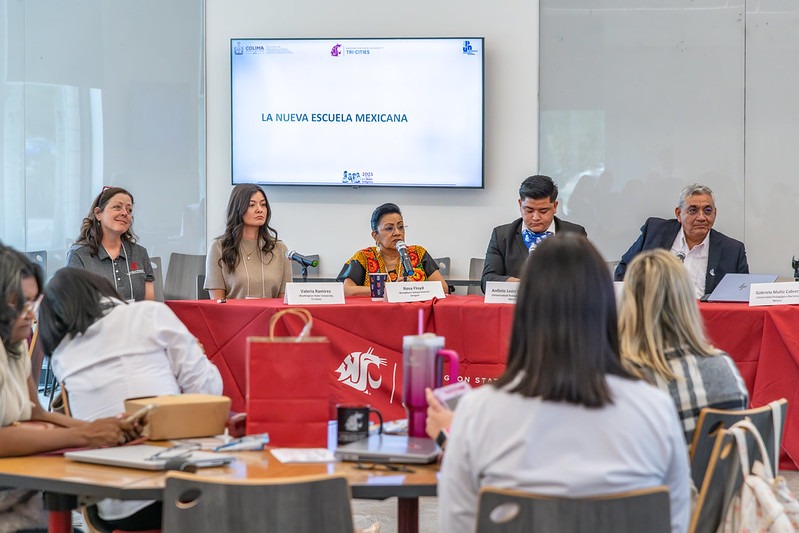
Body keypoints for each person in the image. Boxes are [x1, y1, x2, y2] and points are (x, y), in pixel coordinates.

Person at [439, 234, 690, 533]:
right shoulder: (654, 408)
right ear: (608, 308)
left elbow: (456, 526)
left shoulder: (477, 412)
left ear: (524, 311)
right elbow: (676, 523)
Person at [38, 267, 223, 531]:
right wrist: (198, 355)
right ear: (101, 287)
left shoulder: (61, 355)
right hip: (177, 492)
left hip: (109, 505)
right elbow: (209, 393)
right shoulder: (150, 314)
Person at [0, 245, 140, 530]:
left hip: (20, 504)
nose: (30, 314)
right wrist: (87, 435)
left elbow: (35, 413)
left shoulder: (13, 347)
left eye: (32, 302)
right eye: (19, 303)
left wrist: (100, 428)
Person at [618, 249, 749, 443]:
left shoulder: (622, 379)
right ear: (688, 302)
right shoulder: (724, 366)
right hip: (717, 472)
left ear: (629, 303)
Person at [614, 183, 749, 297]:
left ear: (715, 213)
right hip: (654, 317)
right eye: (693, 210)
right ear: (679, 214)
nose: (701, 217)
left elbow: (741, 295)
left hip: (706, 321)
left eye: (707, 210)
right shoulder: (655, 232)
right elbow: (624, 271)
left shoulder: (732, 251)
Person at [481, 175, 587, 292]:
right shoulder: (502, 235)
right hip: (516, 306)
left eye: (543, 211)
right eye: (529, 210)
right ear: (520, 204)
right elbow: (487, 281)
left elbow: (586, 279)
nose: (535, 217)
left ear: (555, 206)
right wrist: (520, 285)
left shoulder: (575, 234)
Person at [337, 203, 448, 296]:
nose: (397, 233)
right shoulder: (364, 257)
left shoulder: (418, 253)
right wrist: (388, 289)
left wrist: (413, 288)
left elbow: (443, 289)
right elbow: (347, 291)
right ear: (375, 236)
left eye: (400, 227)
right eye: (389, 228)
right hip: (375, 317)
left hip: (415, 316)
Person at [67, 186, 155, 302]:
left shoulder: (140, 253)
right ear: (98, 214)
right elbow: (73, 305)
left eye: (129, 210)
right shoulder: (79, 255)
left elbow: (149, 305)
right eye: (117, 207)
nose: (125, 213)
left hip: (135, 320)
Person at [204, 184, 292, 299]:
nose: (260, 210)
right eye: (252, 205)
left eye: (263, 204)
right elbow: (217, 305)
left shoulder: (280, 248)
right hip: (233, 316)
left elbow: (284, 305)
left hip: (272, 317)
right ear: (238, 209)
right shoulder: (219, 247)